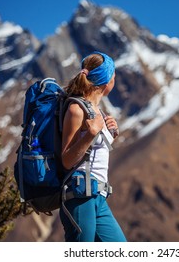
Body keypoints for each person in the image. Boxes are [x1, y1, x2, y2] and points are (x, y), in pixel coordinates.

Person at [59, 51, 127, 242]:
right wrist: (90, 134)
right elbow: (67, 160)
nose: (115, 78)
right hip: (80, 194)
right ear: (107, 81)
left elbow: (93, 152)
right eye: (113, 74)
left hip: (98, 196)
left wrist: (110, 135)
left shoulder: (98, 112)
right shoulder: (76, 109)